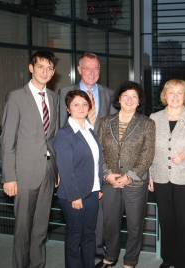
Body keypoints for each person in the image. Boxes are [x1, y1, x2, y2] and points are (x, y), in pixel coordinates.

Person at [1, 50, 58, 268]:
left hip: (47, 173)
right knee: (23, 231)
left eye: (49, 68)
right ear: (31, 68)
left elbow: (52, 139)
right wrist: (9, 177)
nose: (45, 71)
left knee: (41, 230)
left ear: (53, 72)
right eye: (41, 67)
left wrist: (57, 171)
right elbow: (8, 141)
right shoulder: (16, 97)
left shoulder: (54, 98)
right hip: (23, 175)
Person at [59, 52, 115, 256]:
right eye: (87, 68)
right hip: (74, 166)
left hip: (99, 168)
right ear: (79, 69)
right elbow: (59, 129)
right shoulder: (65, 92)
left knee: (95, 220)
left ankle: (97, 252)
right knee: (76, 230)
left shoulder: (108, 93)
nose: (92, 72)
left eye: (96, 68)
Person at [95, 81, 155, 268]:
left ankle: (130, 261)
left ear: (139, 102)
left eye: (134, 97)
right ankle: (110, 257)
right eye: (125, 96)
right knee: (110, 224)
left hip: (135, 183)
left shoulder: (147, 123)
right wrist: (106, 174)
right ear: (119, 99)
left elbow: (148, 154)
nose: (129, 100)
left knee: (135, 226)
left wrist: (129, 176)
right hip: (110, 182)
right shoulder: (105, 122)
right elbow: (98, 151)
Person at [148, 79, 185, 268]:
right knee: (167, 222)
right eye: (171, 92)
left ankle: (184, 262)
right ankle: (168, 259)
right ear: (164, 95)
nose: (175, 96)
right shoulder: (154, 117)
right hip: (161, 178)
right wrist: (150, 176)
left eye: (180, 92)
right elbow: (149, 150)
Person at [54, 90, 104, 268]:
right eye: (76, 104)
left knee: (90, 235)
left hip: (92, 192)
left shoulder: (89, 130)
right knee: (75, 238)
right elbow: (65, 169)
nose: (81, 108)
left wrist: (99, 187)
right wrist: (75, 196)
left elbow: (97, 161)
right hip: (73, 195)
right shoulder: (65, 134)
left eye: (84, 104)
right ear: (68, 108)